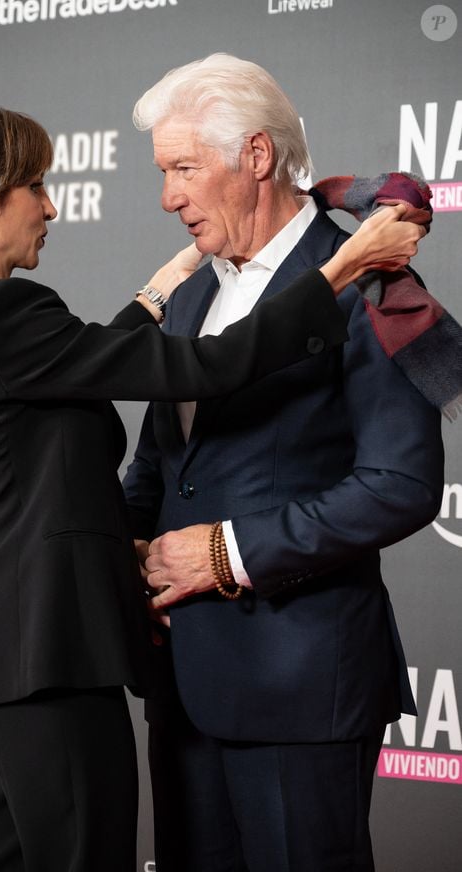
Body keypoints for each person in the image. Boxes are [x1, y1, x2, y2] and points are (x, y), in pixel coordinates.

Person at [0, 106, 422, 872]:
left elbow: (69, 373)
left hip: (1, 654)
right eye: (36, 184)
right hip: (54, 655)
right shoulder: (6, 311)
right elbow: (196, 370)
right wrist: (338, 273)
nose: (51, 204)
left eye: (182, 169)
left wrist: (155, 297)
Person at [123, 54, 445, 872]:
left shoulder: (372, 284)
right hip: (183, 687)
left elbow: (400, 485)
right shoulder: (190, 295)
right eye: (165, 173)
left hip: (302, 690)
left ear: (256, 157)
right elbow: (157, 474)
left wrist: (225, 553)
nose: (169, 198)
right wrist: (129, 560)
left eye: (184, 169)